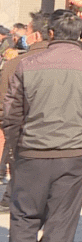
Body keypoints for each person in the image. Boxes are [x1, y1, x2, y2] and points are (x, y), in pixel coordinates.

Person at [1, 10, 82, 242]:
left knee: (24, 218)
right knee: (61, 223)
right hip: (75, 154)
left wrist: (15, 146)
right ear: (79, 34)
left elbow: (11, 114)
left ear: (50, 33)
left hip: (31, 152)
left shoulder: (27, 64)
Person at [0, 11, 48, 213]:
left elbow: (3, 104)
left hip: (23, 133)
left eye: (27, 31)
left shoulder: (15, 64)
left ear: (36, 35)